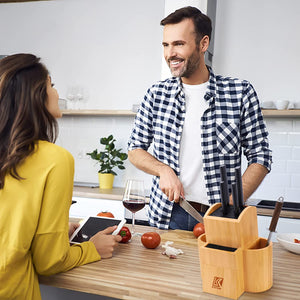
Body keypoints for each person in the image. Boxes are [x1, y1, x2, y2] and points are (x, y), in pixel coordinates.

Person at [128, 7, 272, 230]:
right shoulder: (156, 94)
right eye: (166, 45)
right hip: (168, 214)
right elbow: (135, 148)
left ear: (203, 44)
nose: (170, 54)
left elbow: (260, 156)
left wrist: (232, 202)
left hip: (221, 215)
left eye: (179, 44)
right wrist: (163, 170)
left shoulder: (239, 92)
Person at [0, 53, 122, 300]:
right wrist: (92, 249)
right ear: (36, 96)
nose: (57, 93)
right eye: (51, 85)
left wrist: (53, 234)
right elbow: (48, 262)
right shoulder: (55, 159)